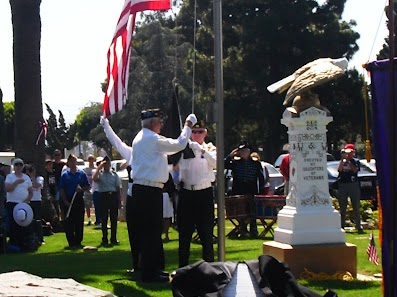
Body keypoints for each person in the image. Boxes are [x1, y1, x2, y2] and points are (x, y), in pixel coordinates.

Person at [130, 108, 196, 282]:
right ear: (153, 123)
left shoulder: (142, 137)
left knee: (150, 232)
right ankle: (149, 272)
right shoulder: (152, 139)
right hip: (148, 190)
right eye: (159, 122)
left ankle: (152, 268)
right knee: (151, 232)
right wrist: (188, 125)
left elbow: (170, 150)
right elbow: (179, 144)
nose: (161, 125)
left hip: (145, 189)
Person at [100, 117, 137, 272]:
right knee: (134, 231)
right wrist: (106, 126)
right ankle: (137, 265)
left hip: (150, 193)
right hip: (134, 194)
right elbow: (117, 142)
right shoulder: (131, 153)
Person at [177, 120, 216, 267]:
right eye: (194, 131)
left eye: (200, 132)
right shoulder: (184, 148)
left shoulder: (210, 148)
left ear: (205, 133)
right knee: (185, 234)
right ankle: (183, 268)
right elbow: (176, 165)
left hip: (204, 193)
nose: (197, 134)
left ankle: (210, 268)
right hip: (187, 193)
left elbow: (216, 163)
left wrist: (202, 151)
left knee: (206, 233)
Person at [225, 142, 265, 238]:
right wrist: (230, 156)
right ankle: (243, 230)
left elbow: (261, 177)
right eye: (242, 151)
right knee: (240, 212)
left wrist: (261, 190)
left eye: (245, 151)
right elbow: (224, 164)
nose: (244, 153)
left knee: (252, 212)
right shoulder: (235, 162)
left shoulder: (255, 163)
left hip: (251, 190)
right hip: (239, 189)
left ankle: (253, 231)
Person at [59, 154, 90, 249]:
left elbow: (87, 186)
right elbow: (61, 189)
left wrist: (80, 190)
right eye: (71, 161)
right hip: (68, 199)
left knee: (79, 221)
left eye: (74, 161)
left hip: (78, 199)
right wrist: (65, 201)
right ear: (68, 162)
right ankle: (71, 242)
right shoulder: (65, 175)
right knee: (69, 222)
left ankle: (78, 241)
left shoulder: (81, 173)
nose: (73, 163)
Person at [92, 155, 121, 246]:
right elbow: (94, 178)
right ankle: (104, 238)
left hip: (113, 196)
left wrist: (119, 200)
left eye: (108, 163)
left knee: (114, 219)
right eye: (105, 164)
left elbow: (117, 188)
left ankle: (113, 238)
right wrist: (99, 167)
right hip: (103, 196)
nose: (107, 165)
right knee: (104, 219)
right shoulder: (100, 174)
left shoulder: (114, 174)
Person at [4, 158, 33, 248]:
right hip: (12, 203)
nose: (19, 166)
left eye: (20, 165)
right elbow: (7, 189)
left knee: (24, 224)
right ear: (14, 166)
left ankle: (24, 243)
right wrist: (16, 182)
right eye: (17, 164)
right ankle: (14, 243)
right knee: (13, 225)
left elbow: (31, 192)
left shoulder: (26, 177)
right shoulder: (10, 177)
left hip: (24, 204)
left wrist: (26, 200)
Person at [337, 143, 363, 234]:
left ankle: (358, 226)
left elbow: (355, 170)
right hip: (343, 185)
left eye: (350, 152)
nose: (348, 154)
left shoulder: (355, 161)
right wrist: (342, 160)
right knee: (342, 207)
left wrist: (349, 161)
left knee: (356, 206)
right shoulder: (342, 161)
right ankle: (341, 226)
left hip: (353, 185)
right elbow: (339, 170)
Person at [24, 163, 45, 244]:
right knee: (29, 220)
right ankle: (30, 237)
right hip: (28, 201)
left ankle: (40, 238)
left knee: (37, 220)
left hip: (37, 201)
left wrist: (32, 176)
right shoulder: (25, 179)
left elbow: (37, 186)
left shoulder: (40, 178)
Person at [52, 149, 66, 219]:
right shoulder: (52, 164)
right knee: (55, 202)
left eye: (58, 155)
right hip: (54, 185)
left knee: (62, 203)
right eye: (56, 155)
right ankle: (57, 218)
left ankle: (63, 218)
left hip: (62, 185)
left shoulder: (63, 165)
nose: (57, 156)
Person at [83, 155, 96, 226]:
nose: (91, 160)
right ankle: (89, 219)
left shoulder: (96, 168)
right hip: (87, 189)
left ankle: (97, 219)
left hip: (95, 189)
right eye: (90, 159)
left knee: (96, 205)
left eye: (92, 159)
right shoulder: (85, 170)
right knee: (87, 205)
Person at [162, 174, 176, 242]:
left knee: (166, 216)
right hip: (164, 195)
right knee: (166, 216)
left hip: (164, 194)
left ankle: (166, 234)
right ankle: (166, 234)